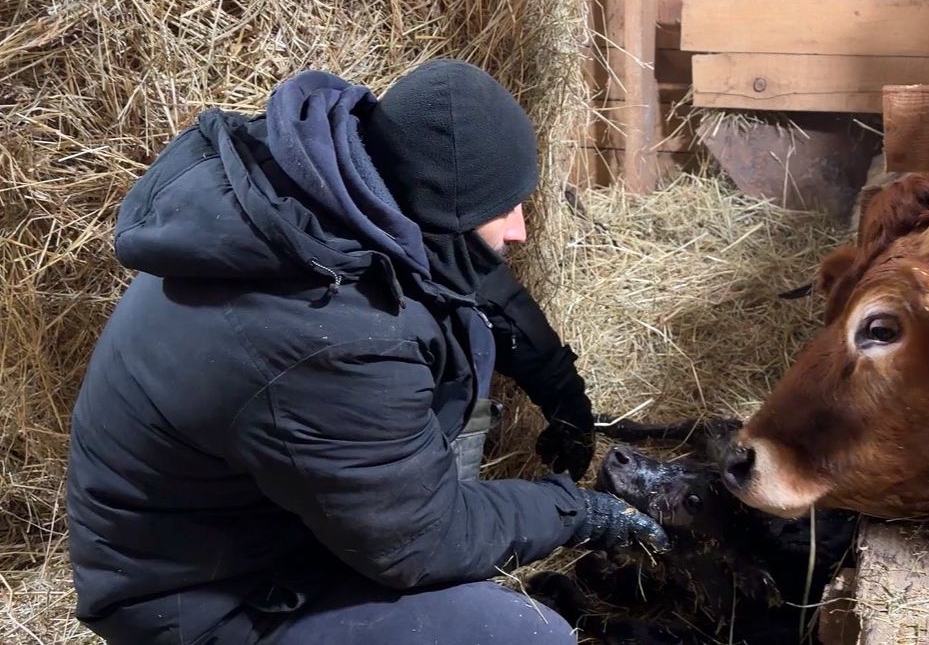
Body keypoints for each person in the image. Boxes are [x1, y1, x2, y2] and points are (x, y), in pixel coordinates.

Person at [64, 59, 669, 645]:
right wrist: (577, 513)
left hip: (256, 526)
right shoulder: (332, 337)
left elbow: (469, 276)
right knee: (521, 635)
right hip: (206, 600)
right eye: (501, 210)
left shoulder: (332, 195)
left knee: (469, 340)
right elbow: (423, 542)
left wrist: (560, 388)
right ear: (440, 210)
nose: (520, 230)